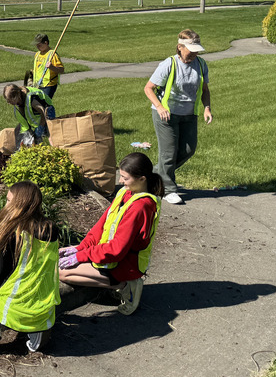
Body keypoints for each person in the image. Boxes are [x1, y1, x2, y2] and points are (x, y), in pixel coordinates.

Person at [57, 152, 163, 315]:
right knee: (63, 268)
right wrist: (80, 247)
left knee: (62, 273)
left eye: (125, 178)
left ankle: (126, 286)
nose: (120, 181)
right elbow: (101, 226)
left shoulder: (140, 207)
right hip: (111, 256)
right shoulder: (125, 193)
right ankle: (117, 283)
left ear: (142, 179)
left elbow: (116, 250)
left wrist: (81, 256)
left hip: (125, 263)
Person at [0, 181, 60, 352]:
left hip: (12, 308)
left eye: (9, 200)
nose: (6, 204)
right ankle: (38, 329)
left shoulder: (13, 232)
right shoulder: (51, 229)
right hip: (44, 308)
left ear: (19, 204)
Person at [143, 28, 213, 205]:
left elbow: (204, 90)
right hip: (166, 114)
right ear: (180, 47)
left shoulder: (201, 64)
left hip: (189, 114)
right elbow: (148, 88)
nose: (194, 54)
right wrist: (159, 107)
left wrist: (207, 108)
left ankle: (152, 177)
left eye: (197, 51)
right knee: (168, 153)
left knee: (188, 150)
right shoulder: (169, 64)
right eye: (191, 50)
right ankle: (167, 190)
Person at [32, 33, 64, 99]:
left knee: (44, 104)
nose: (37, 47)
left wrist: (52, 67)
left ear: (46, 43)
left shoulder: (52, 54)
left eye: (39, 45)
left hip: (49, 85)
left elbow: (61, 70)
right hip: (38, 84)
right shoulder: (37, 54)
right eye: (36, 45)